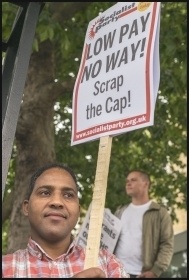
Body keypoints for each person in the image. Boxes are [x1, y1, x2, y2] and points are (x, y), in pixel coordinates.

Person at [2, 162, 130, 278]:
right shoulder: (5, 268)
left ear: (78, 211)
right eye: (45, 193)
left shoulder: (108, 264)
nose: (57, 202)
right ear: (26, 207)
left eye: (68, 195)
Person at [113, 169, 174, 278]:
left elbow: (167, 244)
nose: (128, 183)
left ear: (146, 184)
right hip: (117, 272)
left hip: (142, 274)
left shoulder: (160, 212)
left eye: (133, 180)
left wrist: (155, 271)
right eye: (127, 181)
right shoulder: (120, 211)